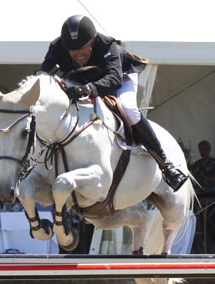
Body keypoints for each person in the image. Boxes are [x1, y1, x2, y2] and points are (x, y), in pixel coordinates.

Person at [40, 15, 187, 191]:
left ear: (92, 41)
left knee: (128, 108)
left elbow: (114, 79)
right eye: (73, 51)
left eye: (83, 49)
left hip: (119, 78)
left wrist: (89, 89)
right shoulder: (57, 46)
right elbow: (43, 74)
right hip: (83, 80)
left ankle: (167, 165)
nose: (79, 55)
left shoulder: (108, 45)